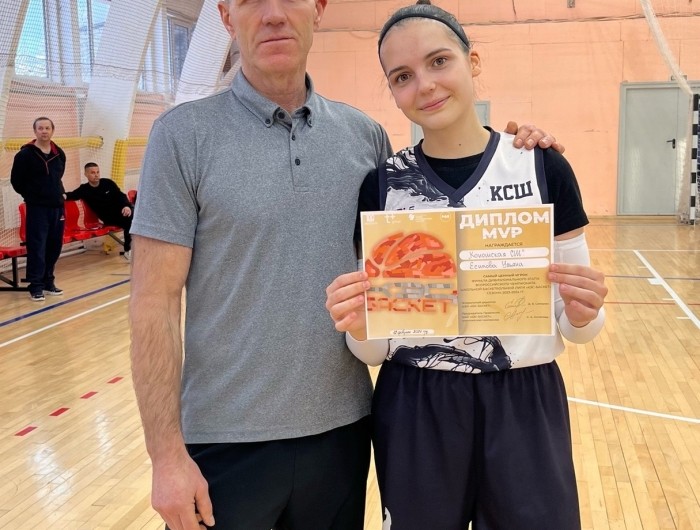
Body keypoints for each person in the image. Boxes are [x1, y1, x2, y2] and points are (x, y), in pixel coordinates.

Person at [128, 0, 563, 528]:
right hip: (223, 443)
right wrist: (165, 456)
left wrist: (523, 150)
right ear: (225, 16)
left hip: (345, 434)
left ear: (318, 9)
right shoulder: (182, 136)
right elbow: (152, 303)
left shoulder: (365, 137)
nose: (272, 14)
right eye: (250, 0)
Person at [325, 2, 608, 529]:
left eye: (439, 61)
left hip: (524, 401)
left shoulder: (541, 165)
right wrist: (359, 327)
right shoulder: (381, 186)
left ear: (472, 62)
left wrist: (584, 311)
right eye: (402, 76)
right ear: (392, 91)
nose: (425, 85)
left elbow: (579, 328)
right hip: (416, 405)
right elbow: (374, 349)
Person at [10, 117, 66, 302]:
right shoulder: (25, 155)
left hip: (57, 207)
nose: (44, 131)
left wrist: (57, 193)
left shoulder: (59, 153)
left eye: (47, 128)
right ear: (35, 131)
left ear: (52, 130)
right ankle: (36, 286)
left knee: (54, 246)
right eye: (40, 128)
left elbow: (58, 176)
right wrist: (34, 196)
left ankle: (48, 282)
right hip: (37, 208)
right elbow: (16, 181)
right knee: (37, 247)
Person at [65, 163, 134, 260]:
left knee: (133, 214)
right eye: (93, 173)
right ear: (86, 174)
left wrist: (126, 206)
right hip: (109, 217)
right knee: (130, 219)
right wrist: (62, 195)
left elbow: (120, 195)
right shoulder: (84, 189)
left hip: (121, 211)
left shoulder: (108, 183)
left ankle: (135, 248)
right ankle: (128, 249)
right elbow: (71, 195)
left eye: (98, 172)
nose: (96, 175)